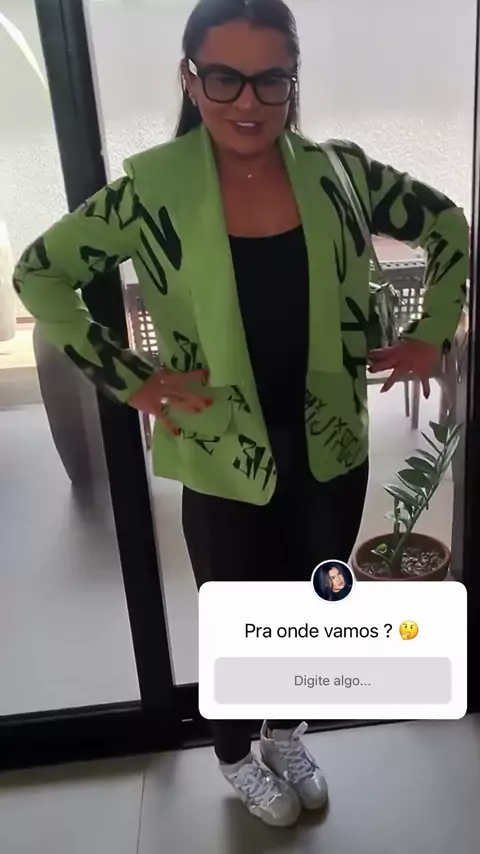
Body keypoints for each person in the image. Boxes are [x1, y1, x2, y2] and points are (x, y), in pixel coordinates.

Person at [13, 0, 468, 829]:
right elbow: (41, 274)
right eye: (224, 78)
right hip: (223, 455)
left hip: (332, 443)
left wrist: (431, 334)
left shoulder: (340, 173)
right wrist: (135, 381)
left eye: (271, 80)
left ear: (294, 81)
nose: (249, 101)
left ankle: (286, 732)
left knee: (311, 603)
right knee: (239, 618)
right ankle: (231, 753)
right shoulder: (152, 190)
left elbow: (447, 225)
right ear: (190, 79)